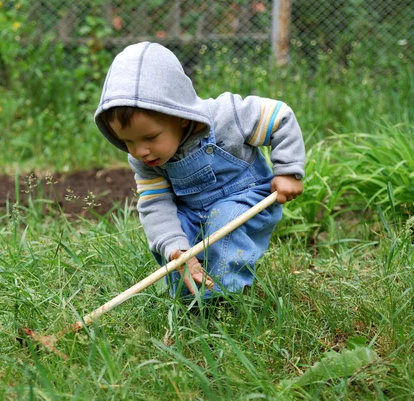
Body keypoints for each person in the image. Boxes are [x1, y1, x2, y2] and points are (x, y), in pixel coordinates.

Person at [94, 42, 305, 300]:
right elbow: (155, 204)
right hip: (193, 211)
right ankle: (189, 300)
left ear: (180, 115)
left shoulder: (227, 117)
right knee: (172, 242)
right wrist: (175, 248)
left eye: (150, 137)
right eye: (128, 142)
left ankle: (224, 302)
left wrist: (288, 170)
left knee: (225, 224)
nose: (141, 151)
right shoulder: (144, 160)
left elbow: (280, 117)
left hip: (246, 197)